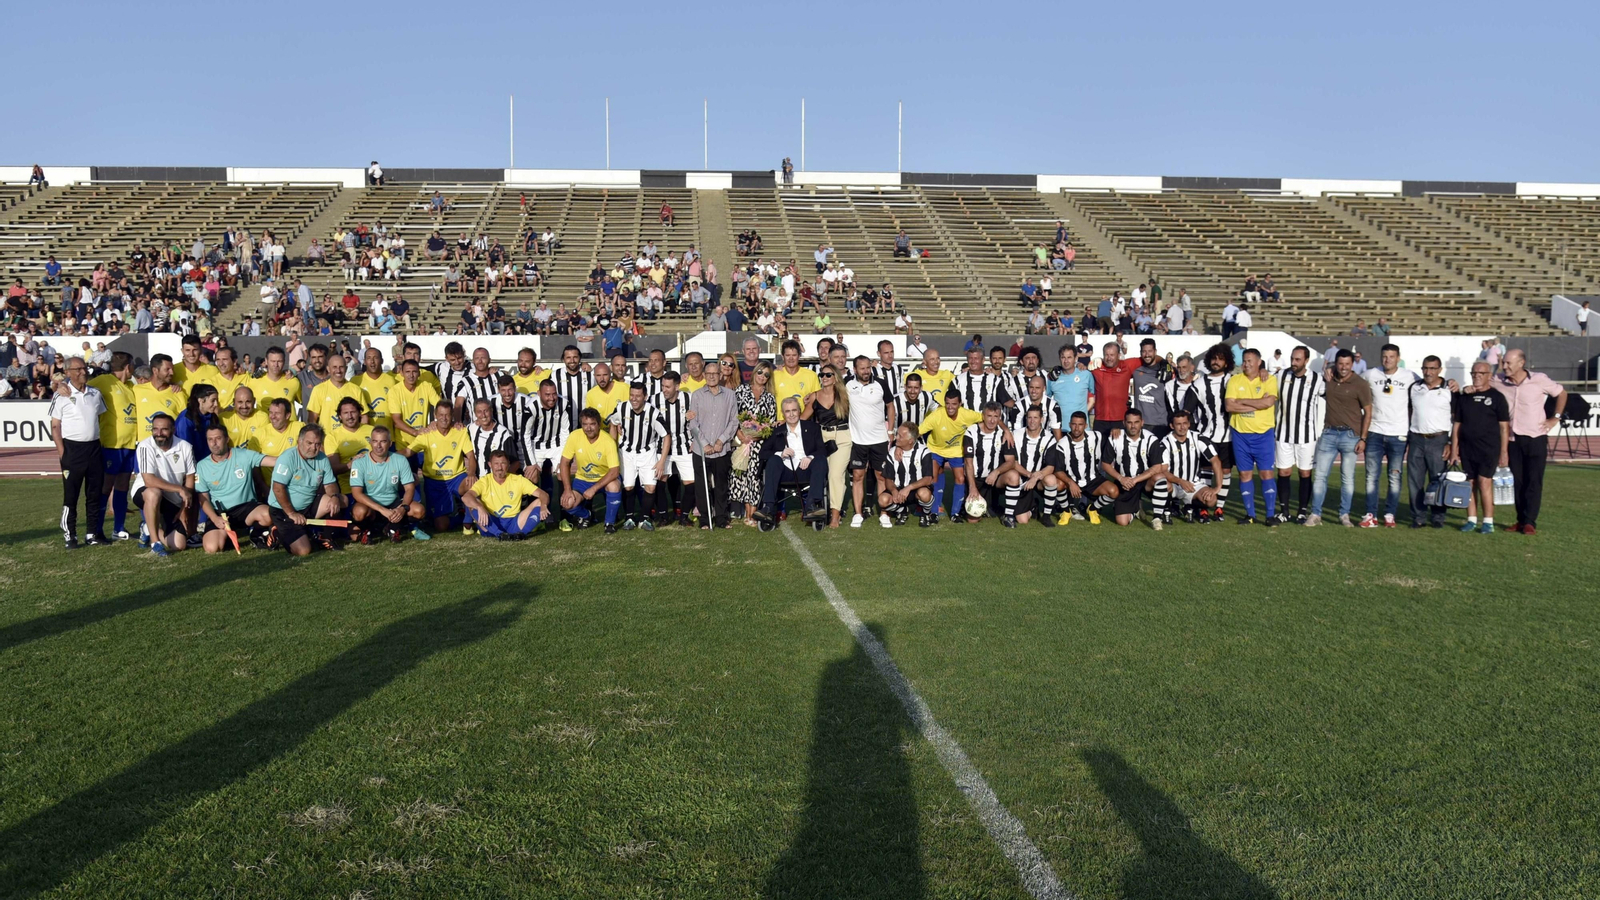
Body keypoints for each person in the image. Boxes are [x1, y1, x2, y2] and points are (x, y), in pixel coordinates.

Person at [1493, 349, 1567, 534]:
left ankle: (1530, 522)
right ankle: (1520, 520)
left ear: (1521, 363)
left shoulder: (1539, 379)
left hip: (1535, 437)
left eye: (1509, 363)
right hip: (1512, 439)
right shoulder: (1498, 380)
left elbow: (1561, 393)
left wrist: (1555, 418)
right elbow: (1481, 383)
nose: (1505, 366)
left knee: (1534, 481)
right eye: (1504, 362)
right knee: (1517, 481)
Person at [1305, 349, 1373, 527]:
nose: (1343, 367)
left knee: (1347, 478)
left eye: (1347, 364)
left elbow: (1368, 412)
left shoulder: (1360, 384)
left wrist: (1363, 438)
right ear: (1336, 363)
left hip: (1351, 436)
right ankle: (1315, 514)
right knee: (1320, 476)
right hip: (1329, 433)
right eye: (1341, 364)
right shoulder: (1328, 378)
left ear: (1353, 365)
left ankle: (1344, 515)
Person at [49, 356, 108, 549]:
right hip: (72, 450)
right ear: (68, 373)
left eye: (84, 368)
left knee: (94, 493)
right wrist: (62, 453)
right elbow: (55, 426)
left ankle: (92, 533)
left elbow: (98, 419)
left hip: (93, 449)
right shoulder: (61, 395)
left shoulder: (95, 393)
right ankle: (70, 535)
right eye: (78, 369)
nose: (83, 372)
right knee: (71, 495)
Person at [1360, 344, 1419, 528]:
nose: (1387, 360)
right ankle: (1370, 514)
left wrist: (1448, 382)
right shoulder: (1370, 374)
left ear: (1398, 357)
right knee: (1371, 476)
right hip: (1375, 432)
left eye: (1391, 356)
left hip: (1398, 434)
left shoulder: (1410, 376)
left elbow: (1427, 384)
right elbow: (1353, 383)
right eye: (1384, 356)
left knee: (1394, 476)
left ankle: (1389, 514)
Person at [194, 424, 277, 552]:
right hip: (221, 513)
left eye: (218, 438)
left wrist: (297, 458)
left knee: (268, 514)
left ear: (227, 439)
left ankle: (255, 533)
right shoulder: (201, 466)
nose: (214, 443)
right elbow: (203, 498)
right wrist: (214, 518)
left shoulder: (244, 455)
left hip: (246, 508)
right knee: (212, 548)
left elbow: (273, 461)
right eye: (210, 439)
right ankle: (226, 536)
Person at [1451, 361, 1510, 534]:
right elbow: (1457, 426)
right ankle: (1471, 520)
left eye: (1481, 373)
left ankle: (1488, 522)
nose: (1477, 376)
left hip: (1489, 448)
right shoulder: (1465, 397)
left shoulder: (1497, 398)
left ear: (1489, 376)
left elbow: (1504, 427)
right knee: (1470, 483)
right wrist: (1454, 450)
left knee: (1485, 482)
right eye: (1474, 373)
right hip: (1468, 447)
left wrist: (1504, 452)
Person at [267, 423, 344, 556]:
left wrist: (334, 496)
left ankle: (324, 536)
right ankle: (278, 531)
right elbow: (278, 488)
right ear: (299, 441)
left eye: (317, 444)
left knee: (342, 500)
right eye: (309, 443)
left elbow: (330, 483)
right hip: (284, 510)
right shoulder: (287, 458)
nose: (313, 448)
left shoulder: (322, 458)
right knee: (304, 551)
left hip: (308, 506)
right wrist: (291, 513)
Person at [1224, 348, 1280, 526]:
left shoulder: (1269, 379)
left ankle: (1270, 515)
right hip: (1241, 435)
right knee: (1244, 475)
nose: (1246, 364)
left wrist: (1241, 401)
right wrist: (1257, 404)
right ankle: (1250, 515)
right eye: (1244, 361)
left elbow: (1269, 402)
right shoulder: (1234, 380)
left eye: (1250, 361)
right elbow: (1229, 406)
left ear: (1259, 362)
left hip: (1263, 435)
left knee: (1266, 473)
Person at [753, 397, 829, 525]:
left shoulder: (812, 427)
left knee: (820, 459)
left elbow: (822, 450)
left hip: (807, 470)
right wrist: (780, 453)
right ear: (783, 414)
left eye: (794, 410)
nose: (791, 414)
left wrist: (810, 457)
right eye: (788, 411)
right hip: (785, 472)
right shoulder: (777, 432)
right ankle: (768, 508)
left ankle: (811, 506)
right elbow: (763, 453)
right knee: (773, 460)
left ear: (800, 411)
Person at [348, 426, 430, 542]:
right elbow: (357, 494)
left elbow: (409, 488)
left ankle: (392, 527)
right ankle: (370, 529)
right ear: (370, 443)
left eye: (383, 441)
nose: (378, 445)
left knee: (419, 510)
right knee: (359, 512)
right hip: (371, 505)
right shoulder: (359, 463)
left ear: (390, 443)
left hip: (393, 502)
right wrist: (382, 510)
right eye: (375, 441)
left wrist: (402, 508)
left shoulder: (400, 460)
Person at [88, 350, 137, 539]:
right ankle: (97, 529)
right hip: (111, 444)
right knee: (105, 487)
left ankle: (119, 529)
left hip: (130, 445)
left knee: (123, 486)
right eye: (132, 366)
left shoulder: (132, 386)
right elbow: (81, 388)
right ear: (128, 367)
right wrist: (63, 388)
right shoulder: (104, 381)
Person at [131, 413, 196, 557]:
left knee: (179, 545)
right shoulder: (145, 446)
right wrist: (180, 488)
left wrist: (184, 509)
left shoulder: (185, 447)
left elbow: (190, 479)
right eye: (155, 429)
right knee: (154, 493)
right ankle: (155, 543)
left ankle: (147, 528)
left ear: (173, 430)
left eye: (164, 430)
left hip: (174, 499)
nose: (159, 434)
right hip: (145, 492)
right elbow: (149, 480)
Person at [1274, 346, 1325, 524]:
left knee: (1304, 473)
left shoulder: (1318, 379)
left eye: (1297, 360)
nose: (1293, 363)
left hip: (1307, 436)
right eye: (1292, 359)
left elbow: (1330, 396)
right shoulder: (1281, 376)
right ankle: (1284, 511)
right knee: (1284, 471)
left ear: (1306, 360)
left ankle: (1302, 511)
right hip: (1283, 434)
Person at [609, 382, 668, 531]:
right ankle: (629, 518)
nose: (634, 399)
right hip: (627, 453)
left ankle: (644, 519)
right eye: (631, 395)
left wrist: (661, 461)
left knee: (650, 487)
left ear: (645, 397)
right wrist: (612, 449)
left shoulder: (653, 413)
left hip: (647, 452)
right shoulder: (621, 408)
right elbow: (613, 422)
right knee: (628, 486)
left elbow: (666, 436)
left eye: (638, 396)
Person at [845, 355, 895, 528]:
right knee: (858, 476)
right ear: (855, 370)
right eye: (862, 368)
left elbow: (890, 405)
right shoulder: (848, 384)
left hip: (879, 440)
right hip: (858, 440)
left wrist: (890, 430)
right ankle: (858, 514)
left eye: (868, 368)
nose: (866, 371)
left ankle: (884, 513)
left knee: (881, 476)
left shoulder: (881, 384)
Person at [1407, 356, 1456, 528]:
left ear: (1440, 370)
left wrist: (1450, 442)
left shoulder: (1450, 389)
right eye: (1426, 368)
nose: (1429, 372)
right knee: (1415, 481)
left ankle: (1437, 517)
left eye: (1433, 368)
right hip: (1417, 439)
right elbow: (1410, 411)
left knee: (1438, 480)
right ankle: (1418, 516)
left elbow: (1456, 419)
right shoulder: (1414, 387)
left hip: (1439, 439)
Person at [1152, 409, 1223, 525]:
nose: (1182, 427)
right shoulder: (1165, 443)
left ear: (1189, 424)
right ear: (1171, 425)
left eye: (1185, 423)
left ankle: (1188, 506)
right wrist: (1180, 481)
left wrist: (1217, 487)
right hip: (1174, 484)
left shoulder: (1198, 438)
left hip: (1193, 484)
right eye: (1178, 424)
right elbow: (1163, 471)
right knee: (1163, 484)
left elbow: (1216, 461)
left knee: (1211, 500)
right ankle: (1168, 507)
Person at [919, 391, 983, 521]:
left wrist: (1006, 431)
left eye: (954, 404)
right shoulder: (936, 415)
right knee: (934, 476)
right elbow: (918, 432)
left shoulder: (967, 414)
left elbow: (987, 417)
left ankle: (955, 514)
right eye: (947, 403)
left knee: (960, 478)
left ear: (960, 404)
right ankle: (934, 512)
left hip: (956, 451)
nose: (950, 407)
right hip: (935, 449)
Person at [559, 408, 623, 533]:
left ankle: (609, 523)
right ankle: (586, 515)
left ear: (599, 425)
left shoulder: (608, 441)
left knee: (614, 486)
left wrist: (594, 488)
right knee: (567, 503)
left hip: (604, 479)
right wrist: (567, 490)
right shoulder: (574, 436)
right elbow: (564, 463)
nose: (588, 428)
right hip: (583, 480)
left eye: (592, 424)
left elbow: (614, 471)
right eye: (585, 424)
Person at [416, 401, 475, 533]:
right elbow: (408, 451)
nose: (444, 418)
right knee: (441, 526)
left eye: (447, 415)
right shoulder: (427, 433)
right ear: (435, 415)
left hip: (456, 477)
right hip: (435, 482)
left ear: (452, 415)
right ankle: (459, 515)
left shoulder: (460, 431)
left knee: (472, 484)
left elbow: (471, 456)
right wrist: (385, 455)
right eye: (441, 415)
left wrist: (471, 473)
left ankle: (468, 521)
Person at [463, 450, 546, 539]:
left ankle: (521, 534)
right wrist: (479, 507)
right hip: (491, 523)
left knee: (540, 502)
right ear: (490, 465)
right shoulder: (484, 481)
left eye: (503, 463)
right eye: (496, 464)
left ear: (508, 464)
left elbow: (543, 494)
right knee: (473, 503)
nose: (499, 467)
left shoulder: (518, 480)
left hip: (514, 522)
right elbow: (466, 497)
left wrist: (544, 506)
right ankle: (499, 534)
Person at [808, 364, 853, 527]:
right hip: (821, 437)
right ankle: (815, 508)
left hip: (842, 436)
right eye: (822, 375)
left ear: (835, 378)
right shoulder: (814, 396)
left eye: (828, 375)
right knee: (819, 473)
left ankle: (835, 514)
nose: (824, 378)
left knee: (835, 475)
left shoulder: (845, 395)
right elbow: (802, 419)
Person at [1099, 409, 1161, 527]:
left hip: (1144, 481)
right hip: (1124, 482)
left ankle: (1158, 517)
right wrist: (1121, 478)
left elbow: (1157, 467)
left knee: (1161, 480)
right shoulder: (1115, 438)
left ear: (1142, 422)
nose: (1133, 426)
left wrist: (1136, 480)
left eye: (1136, 422)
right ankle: (1136, 508)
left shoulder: (1151, 439)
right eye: (1129, 422)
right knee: (1122, 522)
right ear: (1124, 423)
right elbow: (1105, 464)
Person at [730, 364, 775, 526]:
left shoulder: (770, 397)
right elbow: (732, 415)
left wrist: (756, 436)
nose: (762, 376)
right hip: (740, 441)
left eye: (766, 375)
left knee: (754, 478)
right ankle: (745, 511)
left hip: (758, 444)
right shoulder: (740, 391)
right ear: (755, 372)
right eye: (760, 372)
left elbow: (770, 422)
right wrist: (742, 436)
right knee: (741, 476)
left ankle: (752, 515)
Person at [878, 422, 936, 527]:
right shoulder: (892, 452)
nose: (897, 437)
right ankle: (903, 510)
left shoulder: (924, 451)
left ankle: (926, 514)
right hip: (899, 488)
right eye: (897, 434)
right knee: (882, 500)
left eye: (900, 436)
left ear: (910, 441)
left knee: (924, 494)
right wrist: (894, 490)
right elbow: (888, 479)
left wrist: (909, 488)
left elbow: (928, 479)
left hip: (917, 489)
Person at [1010, 406, 1058, 526]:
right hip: (1021, 479)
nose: (1032, 421)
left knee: (1051, 479)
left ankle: (1046, 517)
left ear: (1042, 419)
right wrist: (1029, 475)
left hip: (1038, 480)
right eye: (1029, 417)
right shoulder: (1015, 435)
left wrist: (1035, 477)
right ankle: (1033, 508)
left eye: (1035, 417)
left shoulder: (1050, 438)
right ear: (1026, 418)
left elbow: (1051, 466)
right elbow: (1013, 462)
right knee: (1022, 520)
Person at [133, 354, 187, 442]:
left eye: (172, 369)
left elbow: (184, 423)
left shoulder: (178, 393)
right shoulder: (137, 390)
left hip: (169, 446)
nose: (172, 373)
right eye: (167, 369)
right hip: (145, 447)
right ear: (155, 370)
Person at [1090, 341, 1137, 439]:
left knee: (1120, 452)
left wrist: (1164, 363)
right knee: (1099, 452)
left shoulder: (1127, 366)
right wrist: (1079, 364)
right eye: (1106, 355)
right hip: (1100, 420)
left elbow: (1149, 358)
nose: (1109, 358)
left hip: (1120, 420)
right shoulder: (1096, 367)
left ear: (1119, 355)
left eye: (1112, 355)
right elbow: (1079, 368)